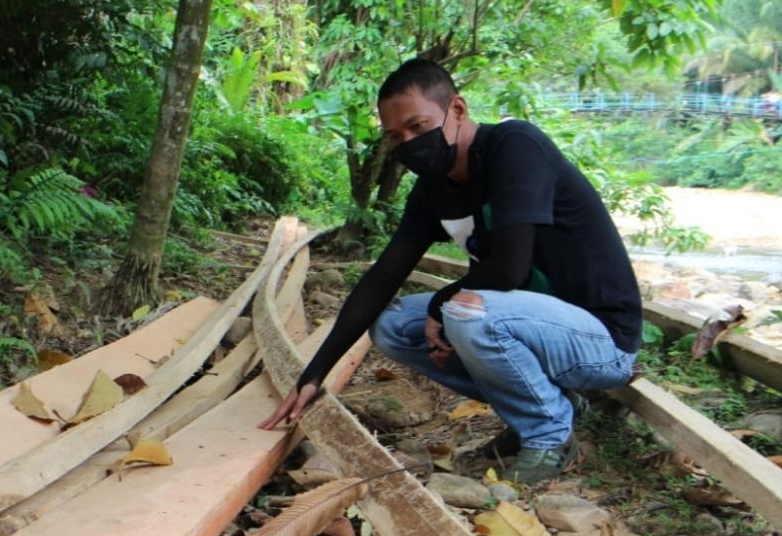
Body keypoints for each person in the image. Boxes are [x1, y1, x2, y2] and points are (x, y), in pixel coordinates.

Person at [259, 59, 643, 484]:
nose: (409, 143)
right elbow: (383, 277)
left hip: (601, 340)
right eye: (396, 136)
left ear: (457, 109)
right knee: (391, 325)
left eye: (418, 126)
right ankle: (547, 402)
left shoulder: (515, 148)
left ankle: (548, 433)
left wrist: (441, 304)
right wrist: (313, 374)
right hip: (532, 328)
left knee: (467, 312)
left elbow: (510, 269)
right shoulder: (433, 189)